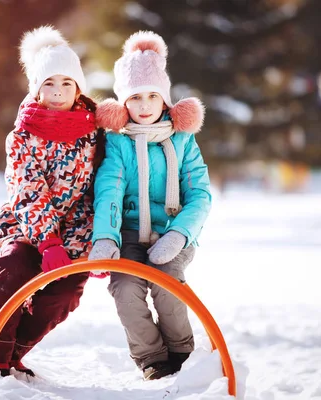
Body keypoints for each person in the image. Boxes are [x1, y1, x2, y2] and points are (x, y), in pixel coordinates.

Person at [0, 26, 104, 378]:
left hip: (74, 230)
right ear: (36, 88)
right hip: (27, 224)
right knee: (12, 270)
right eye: (49, 83)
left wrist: (97, 243)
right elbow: (27, 190)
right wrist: (46, 241)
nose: (58, 92)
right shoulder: (22, 135)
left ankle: (14, 352)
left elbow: (96, 192)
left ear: (78, 87)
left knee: (66, 291)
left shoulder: (94, 132)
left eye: (66, 83)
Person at [89, 31, 212, 381]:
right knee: (126, 288)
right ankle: (152, 357)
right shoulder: (119, 142)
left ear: (165, 99)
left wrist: (179, 235)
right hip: (128, 232)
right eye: (135, 97)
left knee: (166, 282)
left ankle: (182, 352)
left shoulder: (183, 140)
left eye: (152, 96)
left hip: (173, 231)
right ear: (123, 103)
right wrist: (107, 238)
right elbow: (109, 191)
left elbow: (200, 194)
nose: (144, 106)